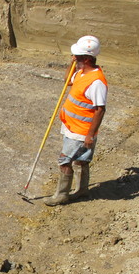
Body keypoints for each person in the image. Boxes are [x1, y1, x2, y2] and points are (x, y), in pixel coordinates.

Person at [44, 35, 108, 206]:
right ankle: (82, 190)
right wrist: (72, 63)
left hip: (80, 131)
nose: (73, 58)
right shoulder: (81, 72)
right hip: (72, 126)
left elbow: (100, 110)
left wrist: (90, 134)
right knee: (81, 160)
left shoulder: (96, 82)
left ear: (86, 58)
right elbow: (67, 80)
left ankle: (61, 195)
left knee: (64, 161)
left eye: (76, 56)